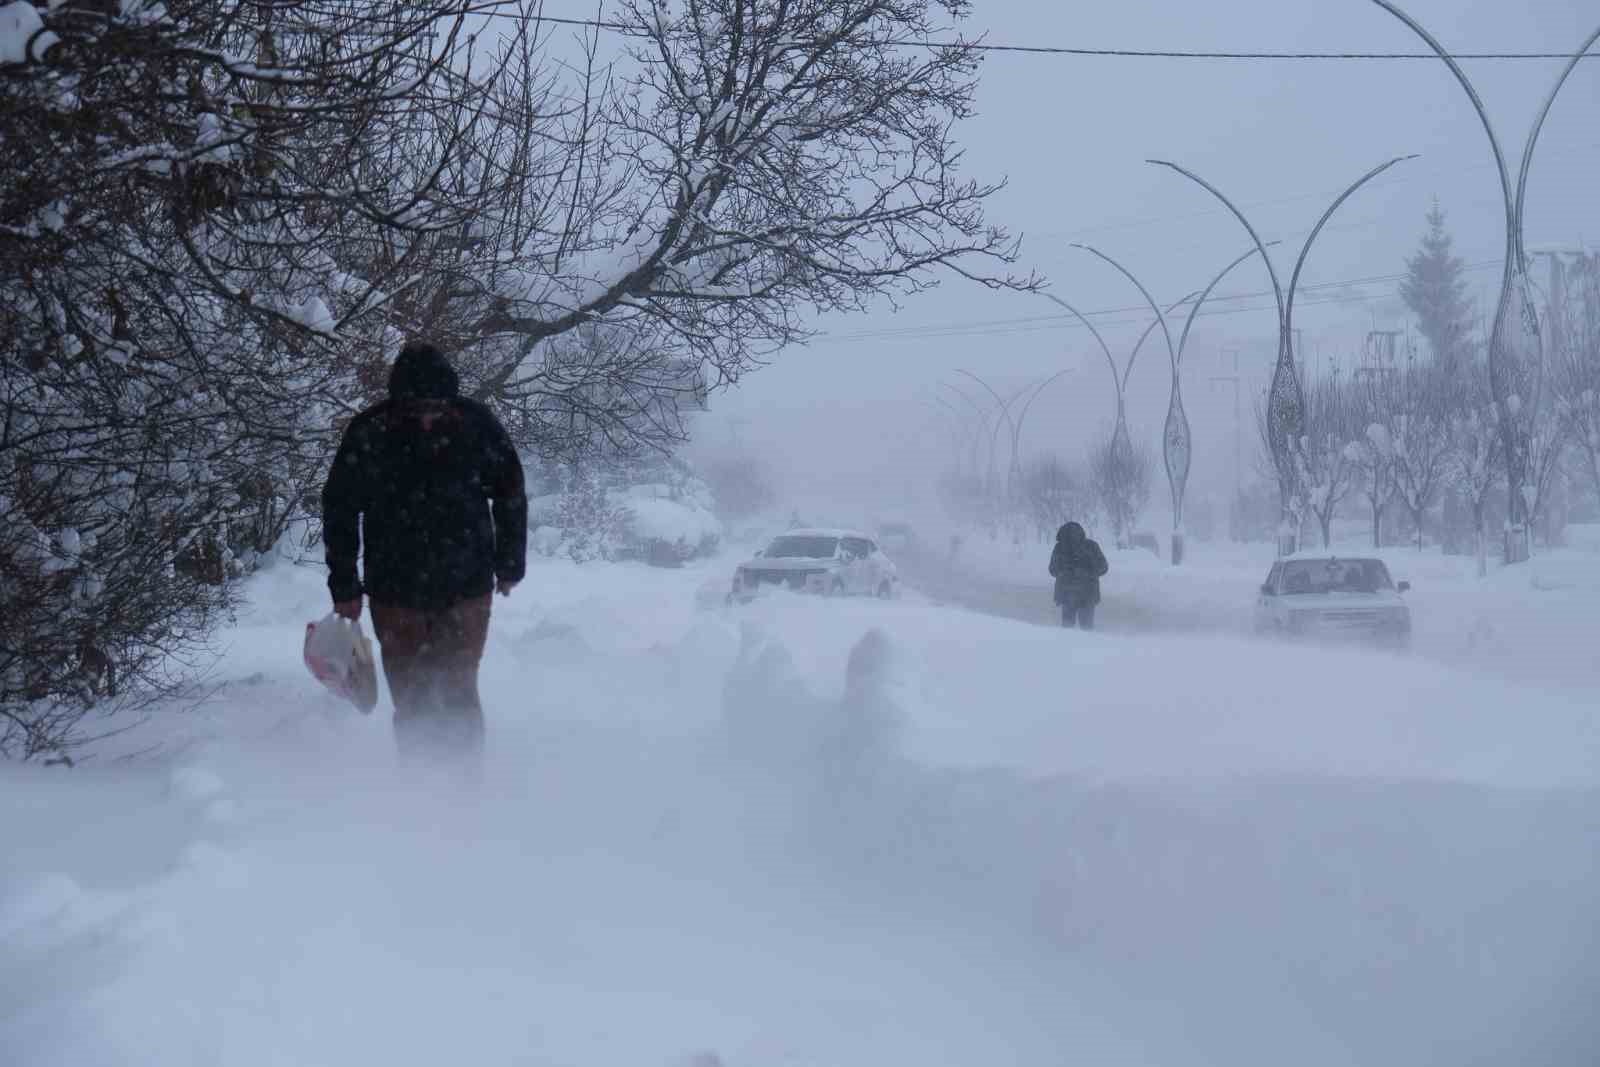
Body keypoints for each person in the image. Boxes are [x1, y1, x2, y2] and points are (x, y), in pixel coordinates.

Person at [321, 340, 527, 761]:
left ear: (451, 401)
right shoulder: (370, 433)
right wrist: (345, 586)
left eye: (437, 409)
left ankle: (466, 784)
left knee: (459, 688)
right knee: (411, 694)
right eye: (417, 411)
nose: (429, 421)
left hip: (467, 588)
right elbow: (339, 511)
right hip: (394, 591)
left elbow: (510, 494)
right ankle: (420, 787)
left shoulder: (477, 425)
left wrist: (509, 564)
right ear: (398, 404)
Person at [1048, 521, 1108, 630]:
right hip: (1088, 594)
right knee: (1087, 629)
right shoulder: (1091, 546)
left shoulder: (1060, 548)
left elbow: (1052, 570)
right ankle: (1087, 646)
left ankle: (1066, 646)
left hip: (1067, 594)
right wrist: (1089, 572)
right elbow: (1103, 567)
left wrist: (1064, 573)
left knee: (1067, 628)